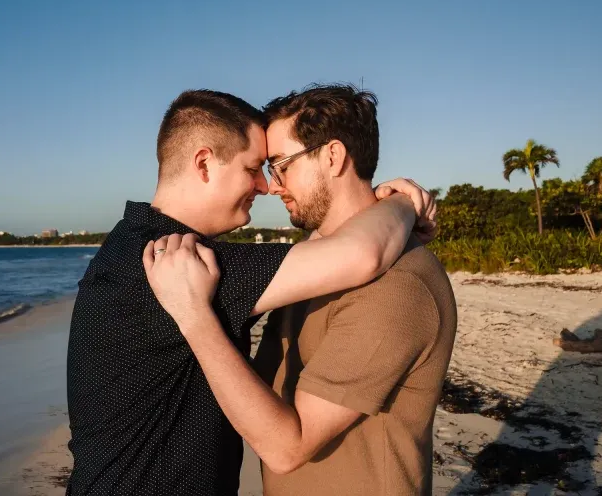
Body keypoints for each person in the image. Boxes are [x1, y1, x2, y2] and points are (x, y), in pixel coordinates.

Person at [66, 89, 436, 495]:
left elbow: (330, 246)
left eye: (276, 166)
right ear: (204, 163)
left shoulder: (132, 246)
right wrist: (404, 204)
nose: (265, 186)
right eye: (256, 167)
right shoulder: (178, 264)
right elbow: (361, 253)